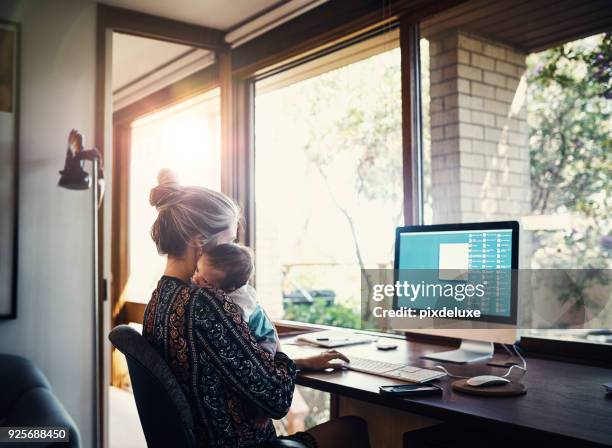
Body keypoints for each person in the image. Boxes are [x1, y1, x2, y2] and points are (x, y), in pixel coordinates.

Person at [142, 169, 370, 448]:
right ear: (199, 240)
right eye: (228, 242)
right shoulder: (206, 304)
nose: (233, 251)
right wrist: (282, 355)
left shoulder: (159, 301)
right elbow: (276, 401)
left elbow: (220, 367)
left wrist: (301, 363)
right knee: (353, 428)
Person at [192, 242, 279, 356]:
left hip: (264, 339)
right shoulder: (221, 290)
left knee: (263, 358)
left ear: (228, 289)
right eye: (198, 270)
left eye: (205, 281)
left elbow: (234, 326)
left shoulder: (239, 302)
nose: (196, 278)